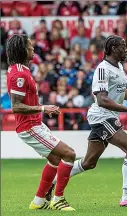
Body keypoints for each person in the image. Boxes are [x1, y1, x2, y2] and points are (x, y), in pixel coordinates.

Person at [46, 35, 127, 207]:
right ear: (112, 49)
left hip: (108, 116)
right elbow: (102, 99)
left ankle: (52, 181)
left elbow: (121, 90)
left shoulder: (118, 67)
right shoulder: (102, 69)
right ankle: (126, 197)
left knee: (89, 163)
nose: (126, 49)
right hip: (102, 116)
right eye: (123, 46)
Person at [6, 34, 76, 211]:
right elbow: (16, 106)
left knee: (54, 158)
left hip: (34, 124)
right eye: (29, 46)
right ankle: (58, 199)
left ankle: (39, 201)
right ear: (22, 50)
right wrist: (43, 108)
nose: (33, 48)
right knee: (69, 154)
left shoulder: (22, 69)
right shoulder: (19, 74)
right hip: (29, 126)